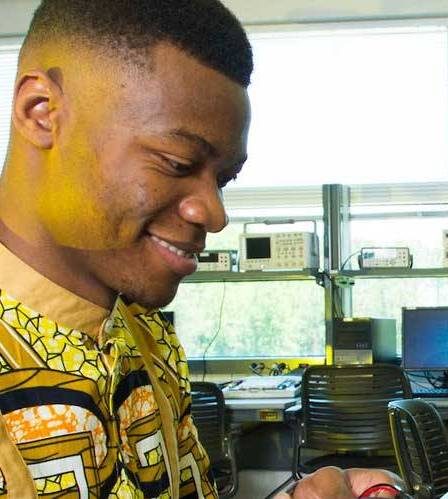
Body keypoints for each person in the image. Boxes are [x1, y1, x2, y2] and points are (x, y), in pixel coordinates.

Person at [0, 0, 399, 497]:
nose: (215, 214)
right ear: (41, 114)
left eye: (224, 179)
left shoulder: (148, 338)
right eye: (176, 162)